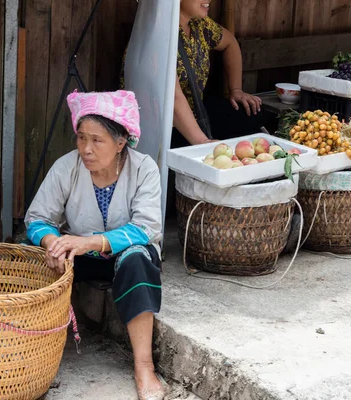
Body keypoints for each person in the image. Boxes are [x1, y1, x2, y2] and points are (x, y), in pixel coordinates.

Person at [25, 90, 166, 400]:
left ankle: (144, 366)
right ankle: (39, 350)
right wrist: (54, 243)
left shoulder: (144, 169)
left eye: (97, 140)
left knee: (136, 260)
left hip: (127, 256)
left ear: (120, 143)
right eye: (81, 138)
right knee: (36, 254)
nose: (86, 149)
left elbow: (146, 227)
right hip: (82, 257)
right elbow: (36, 219)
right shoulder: (67, 167)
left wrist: (91, 241)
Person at [122, 0, 264, 146]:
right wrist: (203, 142)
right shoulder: (156, 33)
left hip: (196, 112)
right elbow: (173, 98)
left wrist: (236, 89)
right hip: (159, 128)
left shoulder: (200, 25)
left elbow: (230, 43)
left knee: (251, 115)